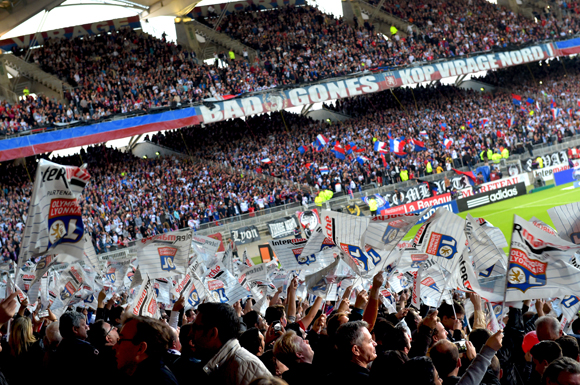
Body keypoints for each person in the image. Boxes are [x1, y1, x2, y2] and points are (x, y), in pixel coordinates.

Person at [192, 302, 271, 385]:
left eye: (195, 328)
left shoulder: (247, 366)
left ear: (213, 333)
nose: (190, 334)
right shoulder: (216, 364)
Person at [113, 315, 178, 384]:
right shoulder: (130, 371)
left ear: (141, 348)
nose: (114, 347)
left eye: (120, 340)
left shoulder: (161, 382)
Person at [55, 311, 100, 384]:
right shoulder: (86, 349)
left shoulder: (60, 347)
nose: (87, 327)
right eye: (83, 325)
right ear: (75, 329)